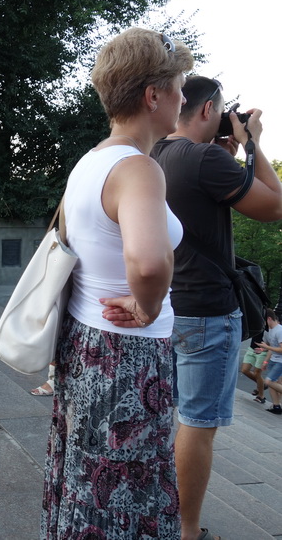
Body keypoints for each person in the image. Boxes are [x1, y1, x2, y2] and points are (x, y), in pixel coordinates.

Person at [41, 28, 193, 540]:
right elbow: (149, 264)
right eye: (179, 86)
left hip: (85, 345)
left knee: (88, 477)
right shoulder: (138, 169)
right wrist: (148, 306)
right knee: (127, 489)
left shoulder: (91, 161)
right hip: (126, 355)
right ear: (153, 96)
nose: (184, 98)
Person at [151, 75, 282, 540]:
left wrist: (225, 151)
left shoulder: (154, 155)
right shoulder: (205, 158)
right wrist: (252, 145)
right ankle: (187, 532)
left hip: (163, 307)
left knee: (169, 417)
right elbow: (274, 206)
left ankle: (160, 513)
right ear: (208, 110)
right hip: (207, 311)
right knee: (198, 423)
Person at [257, 309, 282, 415]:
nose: (263, 323)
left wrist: (266, 347)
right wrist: (263, 353)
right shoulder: (269, 331)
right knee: (273, 383)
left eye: (263, 321)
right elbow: (270, 346)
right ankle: (276, 406)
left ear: (269, 319)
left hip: (280, 361)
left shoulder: (279, 330)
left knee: (268, 382)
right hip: (273, 360)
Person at [241, 332, 268, 403]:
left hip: (263, 352)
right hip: (251, 348)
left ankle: (261, 396)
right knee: (244, 370)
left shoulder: (271, 327)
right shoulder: (259, 321)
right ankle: (262, 384)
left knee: (257, 373)